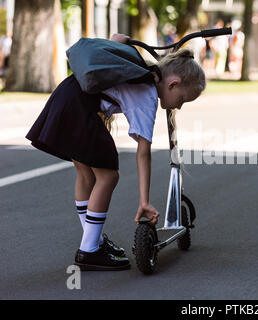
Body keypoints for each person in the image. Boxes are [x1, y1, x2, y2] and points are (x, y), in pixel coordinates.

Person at [25, 33, 206, 271]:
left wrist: (117, 39)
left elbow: (112, 46)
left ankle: (93, 242)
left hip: (66, 97)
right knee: (108, 176)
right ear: (173, 84)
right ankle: (89, 250)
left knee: (87, 175)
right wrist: (144, 201)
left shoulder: (135, 67)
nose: (179, 106)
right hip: (81, 111)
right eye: (182, 99)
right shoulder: (147, 94)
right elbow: (144, 152)